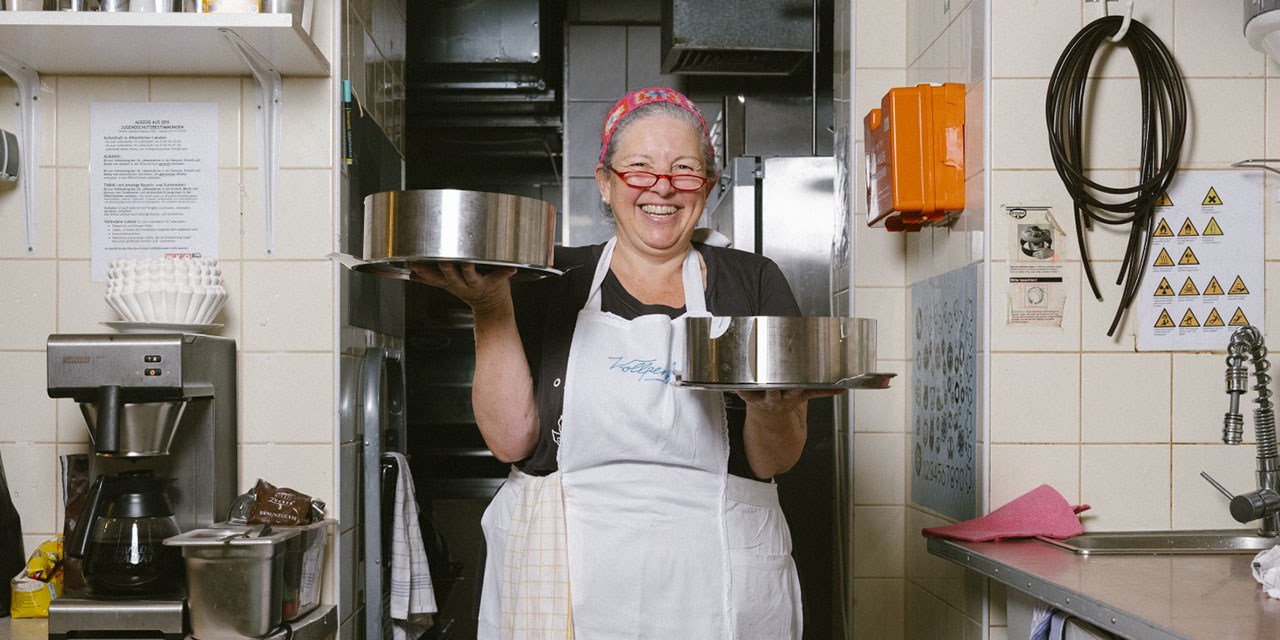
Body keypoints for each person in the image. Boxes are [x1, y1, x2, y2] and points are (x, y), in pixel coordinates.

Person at [411, 87, 836, 639]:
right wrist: (490, 307)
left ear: (705, 188)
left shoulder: (752, 281)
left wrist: (773, 411)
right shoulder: (544, 277)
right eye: (639, 168)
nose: (662, 187)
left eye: (685, 170)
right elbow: (510, 442)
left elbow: (774, 459)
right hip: (564, 578)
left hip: (714, 578)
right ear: (606, 184)